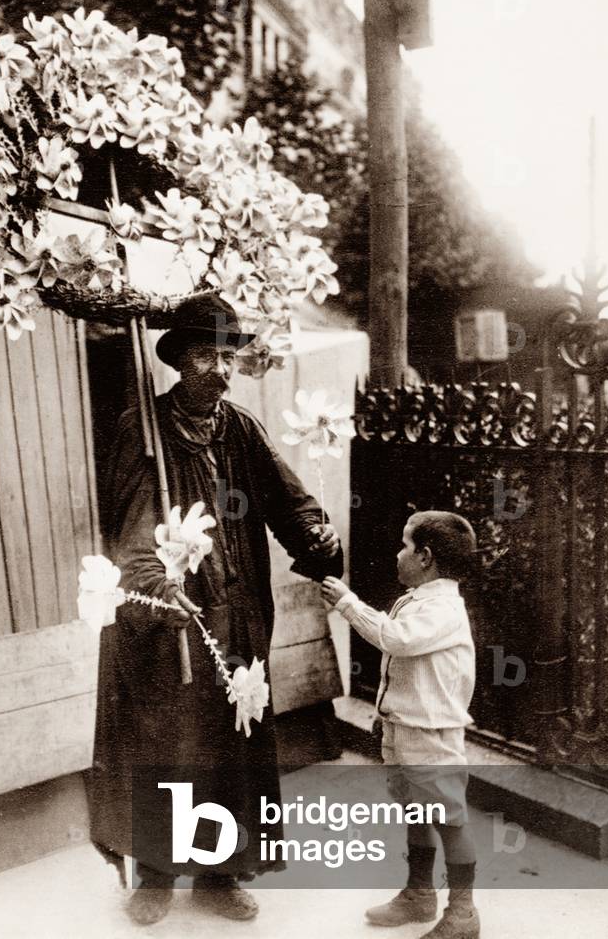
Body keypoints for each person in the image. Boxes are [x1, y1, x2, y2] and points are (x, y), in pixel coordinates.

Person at [89, 293, 342, 927]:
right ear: (180, 362)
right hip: (167, 619)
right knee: (167, 741)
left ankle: (220, 871)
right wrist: (155, 587)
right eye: (207, 356)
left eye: (229, 357)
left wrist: (314, 535)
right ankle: (153, 870)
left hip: (237, 612)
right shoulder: (141, 429)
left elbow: (287, 500)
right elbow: (130, 530)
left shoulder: (240, 428)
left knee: (231, 744)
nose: (222, 371)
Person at [321, 511, 479, 939]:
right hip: (405, 728)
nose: (398, 553)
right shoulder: (418, 599)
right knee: (416, 812)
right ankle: (419, 893)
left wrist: (348, 603)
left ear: (425, 557)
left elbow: (396, 640)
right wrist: (384, 714)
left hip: (431, 734)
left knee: (448, 819)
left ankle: (463, 912)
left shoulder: (444, 609)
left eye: (405, 545)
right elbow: (403, 672)